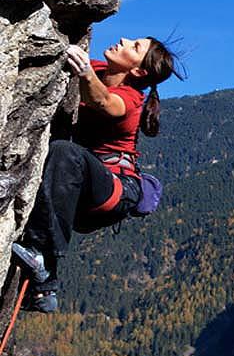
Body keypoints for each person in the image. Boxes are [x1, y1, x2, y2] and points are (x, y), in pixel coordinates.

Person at [11, 37, 184, 312]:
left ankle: (42, 261)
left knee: (65, 153)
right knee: (58, 162)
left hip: (115, 189)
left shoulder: (131, 98)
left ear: (138, 71)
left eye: (134, 46)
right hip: (79, 189)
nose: (124, 40)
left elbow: (104, 101)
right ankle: (43, 289)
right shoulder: (99, 69)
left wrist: (83, 71)